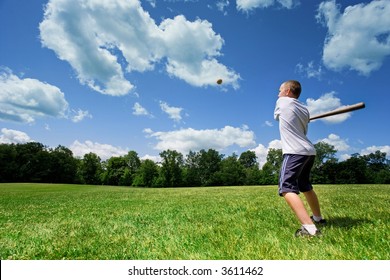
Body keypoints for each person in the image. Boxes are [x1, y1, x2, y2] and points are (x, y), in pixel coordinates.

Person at [274, 80, 326, 237]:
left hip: (294, 151)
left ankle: (310, 229)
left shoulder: (282, 102)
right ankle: (318, 218)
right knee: (305, 185)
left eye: (280, 90)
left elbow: (277, 117)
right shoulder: (304, 109)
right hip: (309, 151)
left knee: (286, 188)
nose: (278, 93)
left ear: (288, 92)